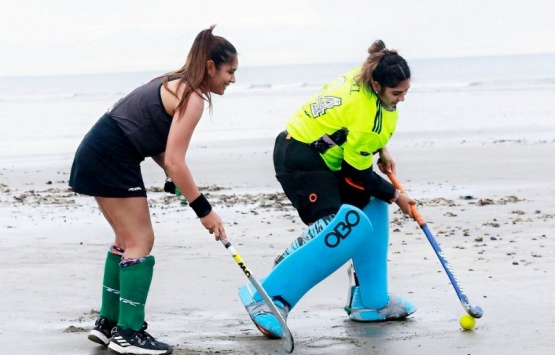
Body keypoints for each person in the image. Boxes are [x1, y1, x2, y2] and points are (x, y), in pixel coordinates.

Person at [69, 25, 237, 354]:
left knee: (125, 240)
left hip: (97, 152)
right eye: (230, 71)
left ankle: (108, 323)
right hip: (111, 157)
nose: (232, 79)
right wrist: (204, 210)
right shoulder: (193, 97)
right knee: (141, 241)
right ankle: (129, 333)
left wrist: (175, 181)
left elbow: (162, 152)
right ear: (210, 67)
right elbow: (175, 160)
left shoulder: (173, 82)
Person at [237, 40, 417, 338]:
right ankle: (268, 299)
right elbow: (356, 172)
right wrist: (397, 196)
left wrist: (382, 150)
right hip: (300, 158)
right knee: (342, 226)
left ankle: (371, 302)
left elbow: (361, 130)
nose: (402, 99)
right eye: (397, 93)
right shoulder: (363, 109)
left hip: (324, 159)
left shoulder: (364, 77)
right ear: (377, 84)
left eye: (406, 91)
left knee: (371, 205)